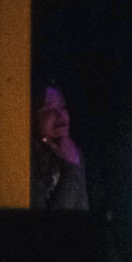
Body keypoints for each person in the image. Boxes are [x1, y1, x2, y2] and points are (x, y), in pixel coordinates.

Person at [31, 82, 89, 211]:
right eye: (48, 109)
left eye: (62, 106)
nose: (59, 114)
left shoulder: (73, 151)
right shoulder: (29, 160)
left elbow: (82, 209)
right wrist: (72, 169)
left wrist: (74, 164)